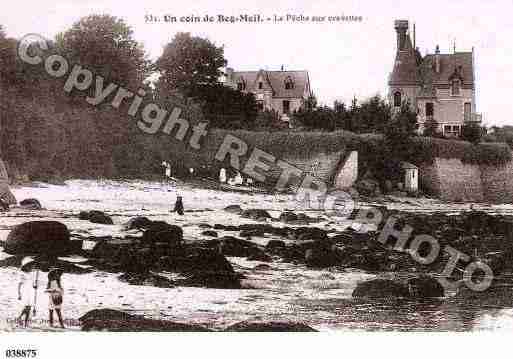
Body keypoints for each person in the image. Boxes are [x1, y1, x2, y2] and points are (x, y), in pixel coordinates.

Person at [17, 257, 37, 328]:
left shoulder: (30, 274)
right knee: (26, 307)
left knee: (29, 307)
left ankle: (24, 321)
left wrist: (34, 286)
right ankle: (20, 319)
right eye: (30, 265)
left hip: (30, 291)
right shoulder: (22, 274)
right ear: (26, 266)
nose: (32, 267)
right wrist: (19, 294)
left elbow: (32, 284)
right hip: (24, 291)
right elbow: (19, 284)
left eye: (32, 266)